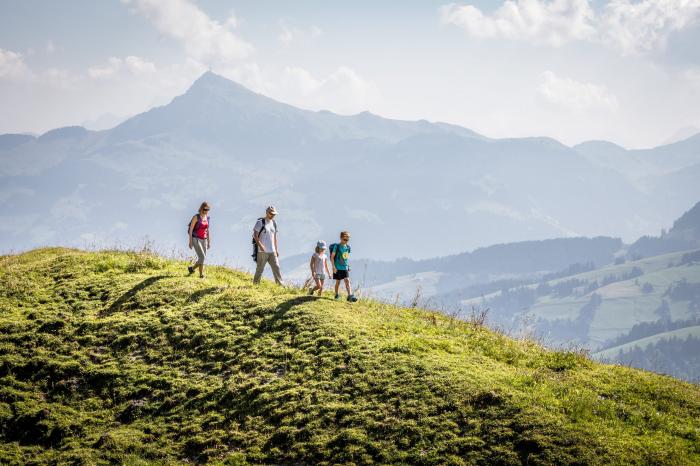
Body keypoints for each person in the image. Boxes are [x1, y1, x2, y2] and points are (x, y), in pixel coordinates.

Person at [253, 206, 283, 285]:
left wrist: (276, 250)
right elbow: (255, 235)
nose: (273, 215)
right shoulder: (260, 222)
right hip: (262, 251)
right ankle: (256, 285)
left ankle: (280, 286)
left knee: (277, 268)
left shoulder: (274, 223)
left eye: (274, 214)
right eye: (271, 213)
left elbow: (275, 238)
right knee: (260, 269)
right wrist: (261, 246)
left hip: (272, 251)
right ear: (267, 212)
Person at [331, 231, 357, 302]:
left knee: (347, 280)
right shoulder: (337, 246)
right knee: (338, 282)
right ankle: (336, 294)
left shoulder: (348, 247)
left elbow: (345, 258)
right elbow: (332, 257)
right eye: (344, 239)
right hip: (337, 267)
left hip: (344, 267)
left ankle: (350, 296)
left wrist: (348, 265)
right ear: (341, 238)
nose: (346, 241)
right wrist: (334, 267)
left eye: (347, 240)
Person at [188, 202, 210, 278]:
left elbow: (208, 230)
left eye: (208, 209)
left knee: (202, 258)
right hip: (196, 238)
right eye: (205, 209)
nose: (206, 211)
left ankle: (192, 269)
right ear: (201, 209)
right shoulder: (196, 217)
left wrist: (209, 241)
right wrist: (190, 241)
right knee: (202, 257)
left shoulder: (207, 218)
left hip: (204, 239)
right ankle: (201, 274)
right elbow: (191, 229)